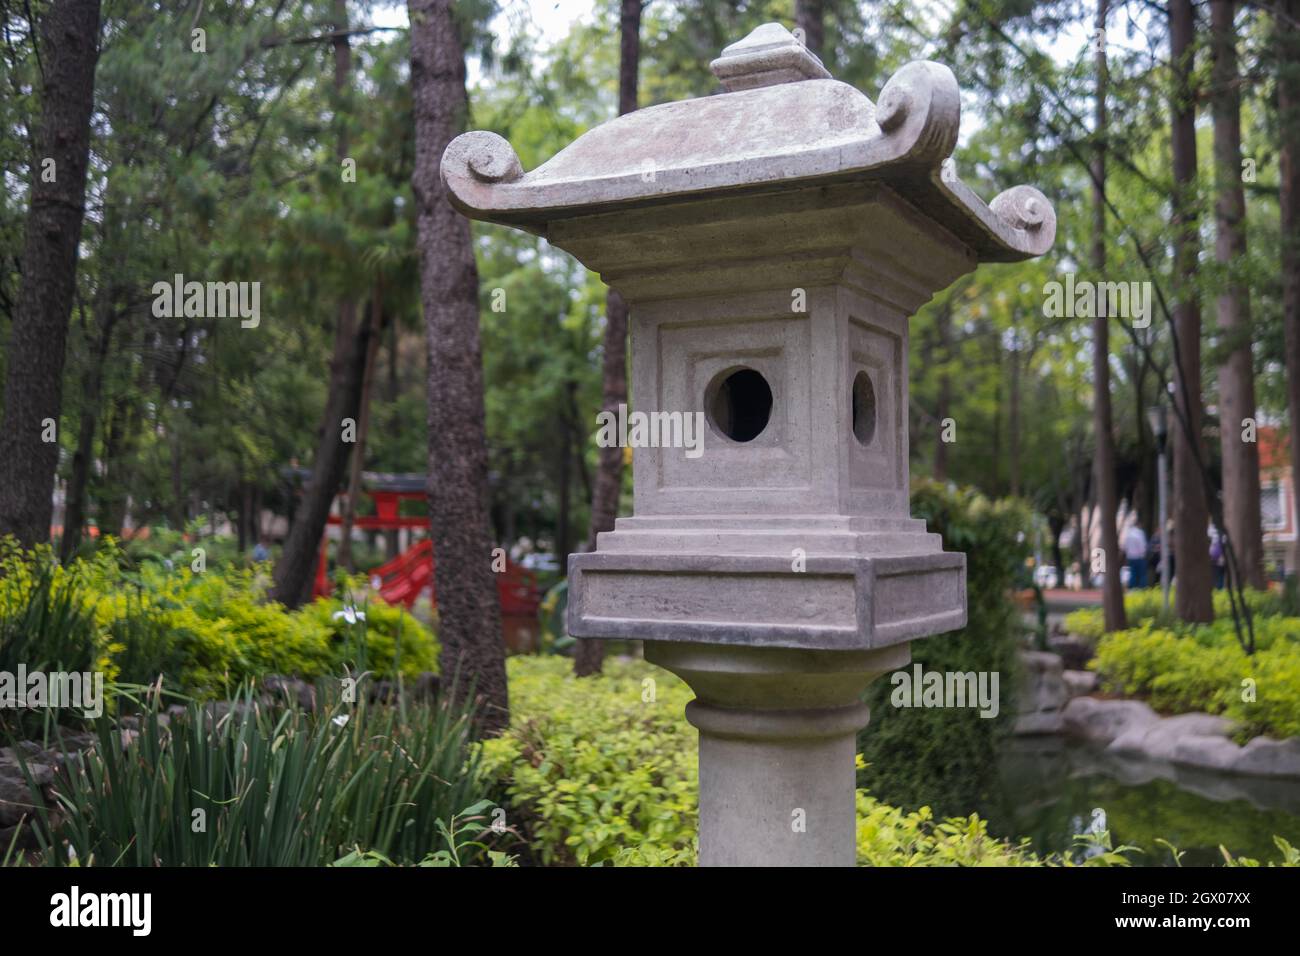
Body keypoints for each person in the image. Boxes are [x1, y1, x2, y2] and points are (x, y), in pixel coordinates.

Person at [1123, 523, 1149, 589]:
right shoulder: (1140, 533)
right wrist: (1143, 553)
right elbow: (1142, 545)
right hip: (1139, 557)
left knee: (1132, 573)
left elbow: (1125, 546)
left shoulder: (1128, 534)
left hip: (1130, 557)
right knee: (1142, 574)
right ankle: (1142, 588)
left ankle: (1132, 587)